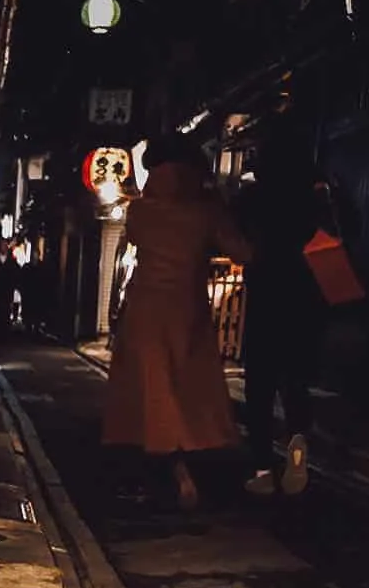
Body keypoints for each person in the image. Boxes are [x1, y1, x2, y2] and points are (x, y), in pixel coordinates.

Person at [103, 136, 250, 510]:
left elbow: (135, 241)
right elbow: (242, 251)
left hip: (144, 310)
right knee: (185, 389)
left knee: (149, 392)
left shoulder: (141, 212)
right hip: (188, 310)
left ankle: (162, 470)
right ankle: (186, 467)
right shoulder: (206, 211)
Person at [236, 112, 325, 495]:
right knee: (296, 387)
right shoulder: (318, 195)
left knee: (259, 387)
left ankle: (261, 471)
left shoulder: (254, 196)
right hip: (306, 300)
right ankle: (297, 465)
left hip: (266, 298)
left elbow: (236, 239)